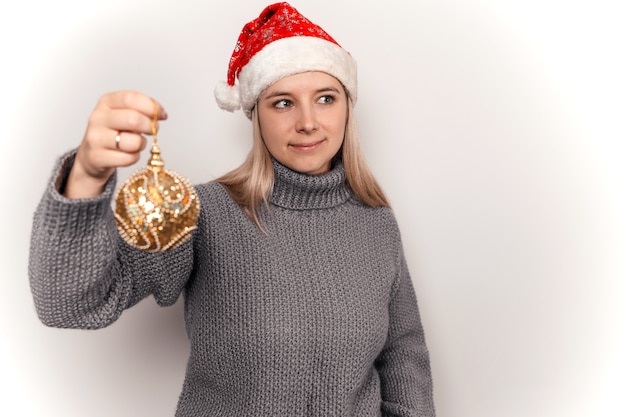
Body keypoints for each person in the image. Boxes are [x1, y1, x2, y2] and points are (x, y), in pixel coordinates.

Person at [29, 2, 436, 416]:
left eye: (326, 98)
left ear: (347, 107)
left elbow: (403, 354)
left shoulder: (375, 220)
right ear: (256, 115)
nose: (308, 122)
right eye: (283, 103)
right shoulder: (205, 213)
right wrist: (85, 177)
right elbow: (70, 304)